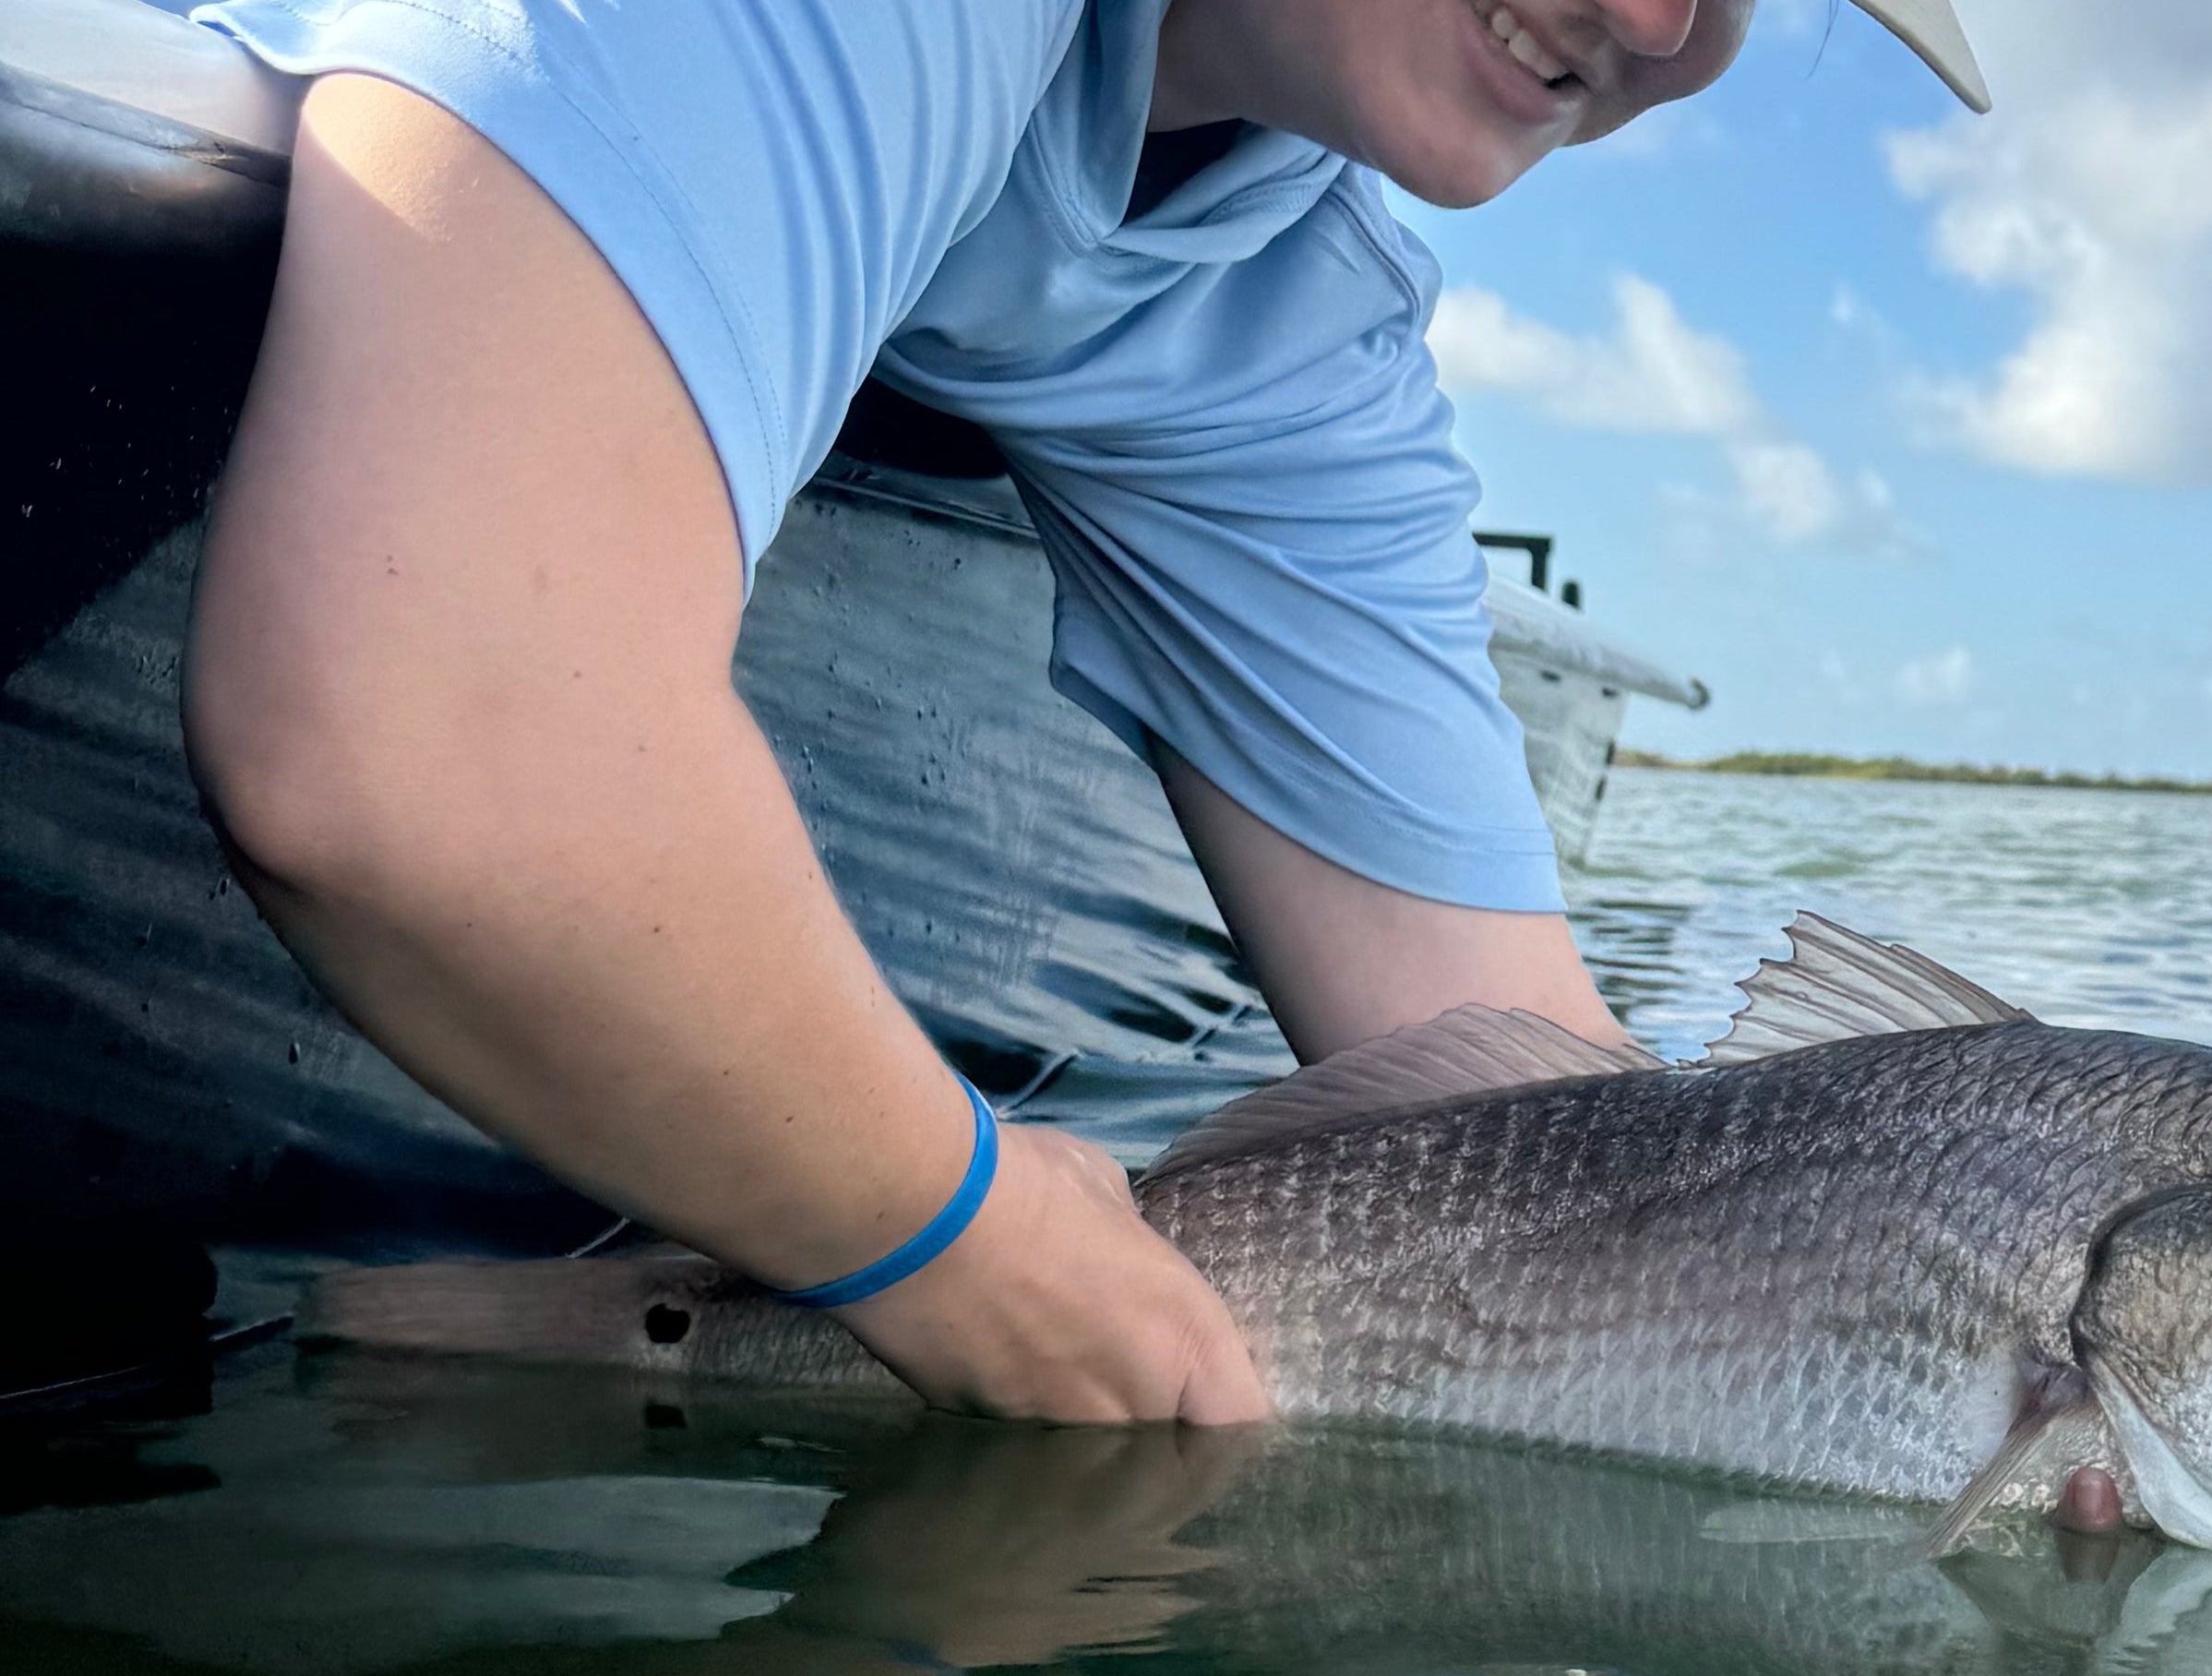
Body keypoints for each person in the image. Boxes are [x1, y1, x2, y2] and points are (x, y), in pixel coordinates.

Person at [168, 0, 1989, 1426]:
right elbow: (416, 741)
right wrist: (948, 1232)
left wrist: (1945, 1355)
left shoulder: (1288, 295)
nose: (1668, 21)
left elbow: (1549, 1106)